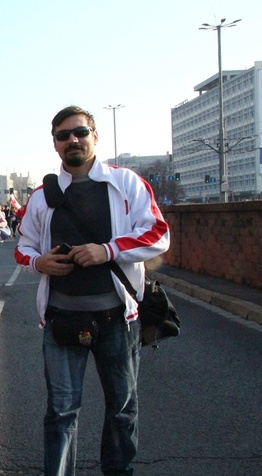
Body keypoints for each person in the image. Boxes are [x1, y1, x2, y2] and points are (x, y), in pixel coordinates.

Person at [14, 105, 170, 475]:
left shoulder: (126, 183)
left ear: (94, 137)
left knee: (121, 408)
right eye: (63, 135)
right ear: (54, 144)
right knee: (61, 411)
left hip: (117, 316)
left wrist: (108, 249)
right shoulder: (41, 196)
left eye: (80, 132)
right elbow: (23, 247)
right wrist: (40, 263)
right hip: (61, 317)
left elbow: (159, 235)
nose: (73, 140)